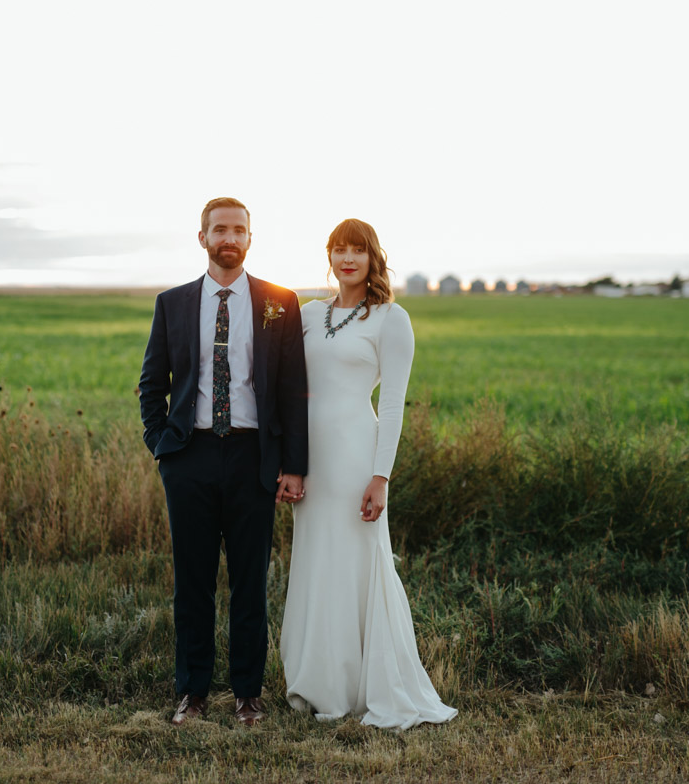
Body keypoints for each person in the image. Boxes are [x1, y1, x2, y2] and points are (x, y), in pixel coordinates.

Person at [279, 218, 457, 729]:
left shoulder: (390, 319)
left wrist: (382, 476)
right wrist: (288, 460)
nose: (347, 258)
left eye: (357, 249)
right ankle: (320, 685)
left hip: (358, 453)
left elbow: (395, 405)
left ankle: (364, 686)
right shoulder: (309, 314)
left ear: (373, 256)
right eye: (339, 249)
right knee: (317, 560)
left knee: (359, 562)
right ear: (329, 256)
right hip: (310, 458)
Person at [138, 197, 309, 727]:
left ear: (251, 239)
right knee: (192, 582)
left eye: (238, 230)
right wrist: (162, 446)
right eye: (219, 230)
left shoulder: (280, 302)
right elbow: (153, 383)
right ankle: (191, 694)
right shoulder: (173, 303)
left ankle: (247, 695)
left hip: (252, 456)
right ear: (203, 238)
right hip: (188, 457)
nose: (229, 238)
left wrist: (294, 465)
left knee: (250, 583)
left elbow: (292, 388)